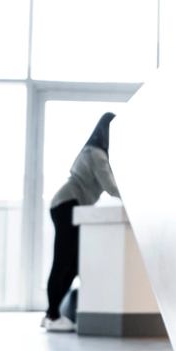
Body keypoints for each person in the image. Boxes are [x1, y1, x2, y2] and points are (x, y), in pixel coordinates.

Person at [42, 113, 118, 333]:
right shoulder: (96, 154)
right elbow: (111, 187)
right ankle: (53, 315)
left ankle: (51, 313)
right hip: (67, 205)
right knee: (64, 261)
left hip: (67, 205)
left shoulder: (95, 153)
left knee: (71, 262)